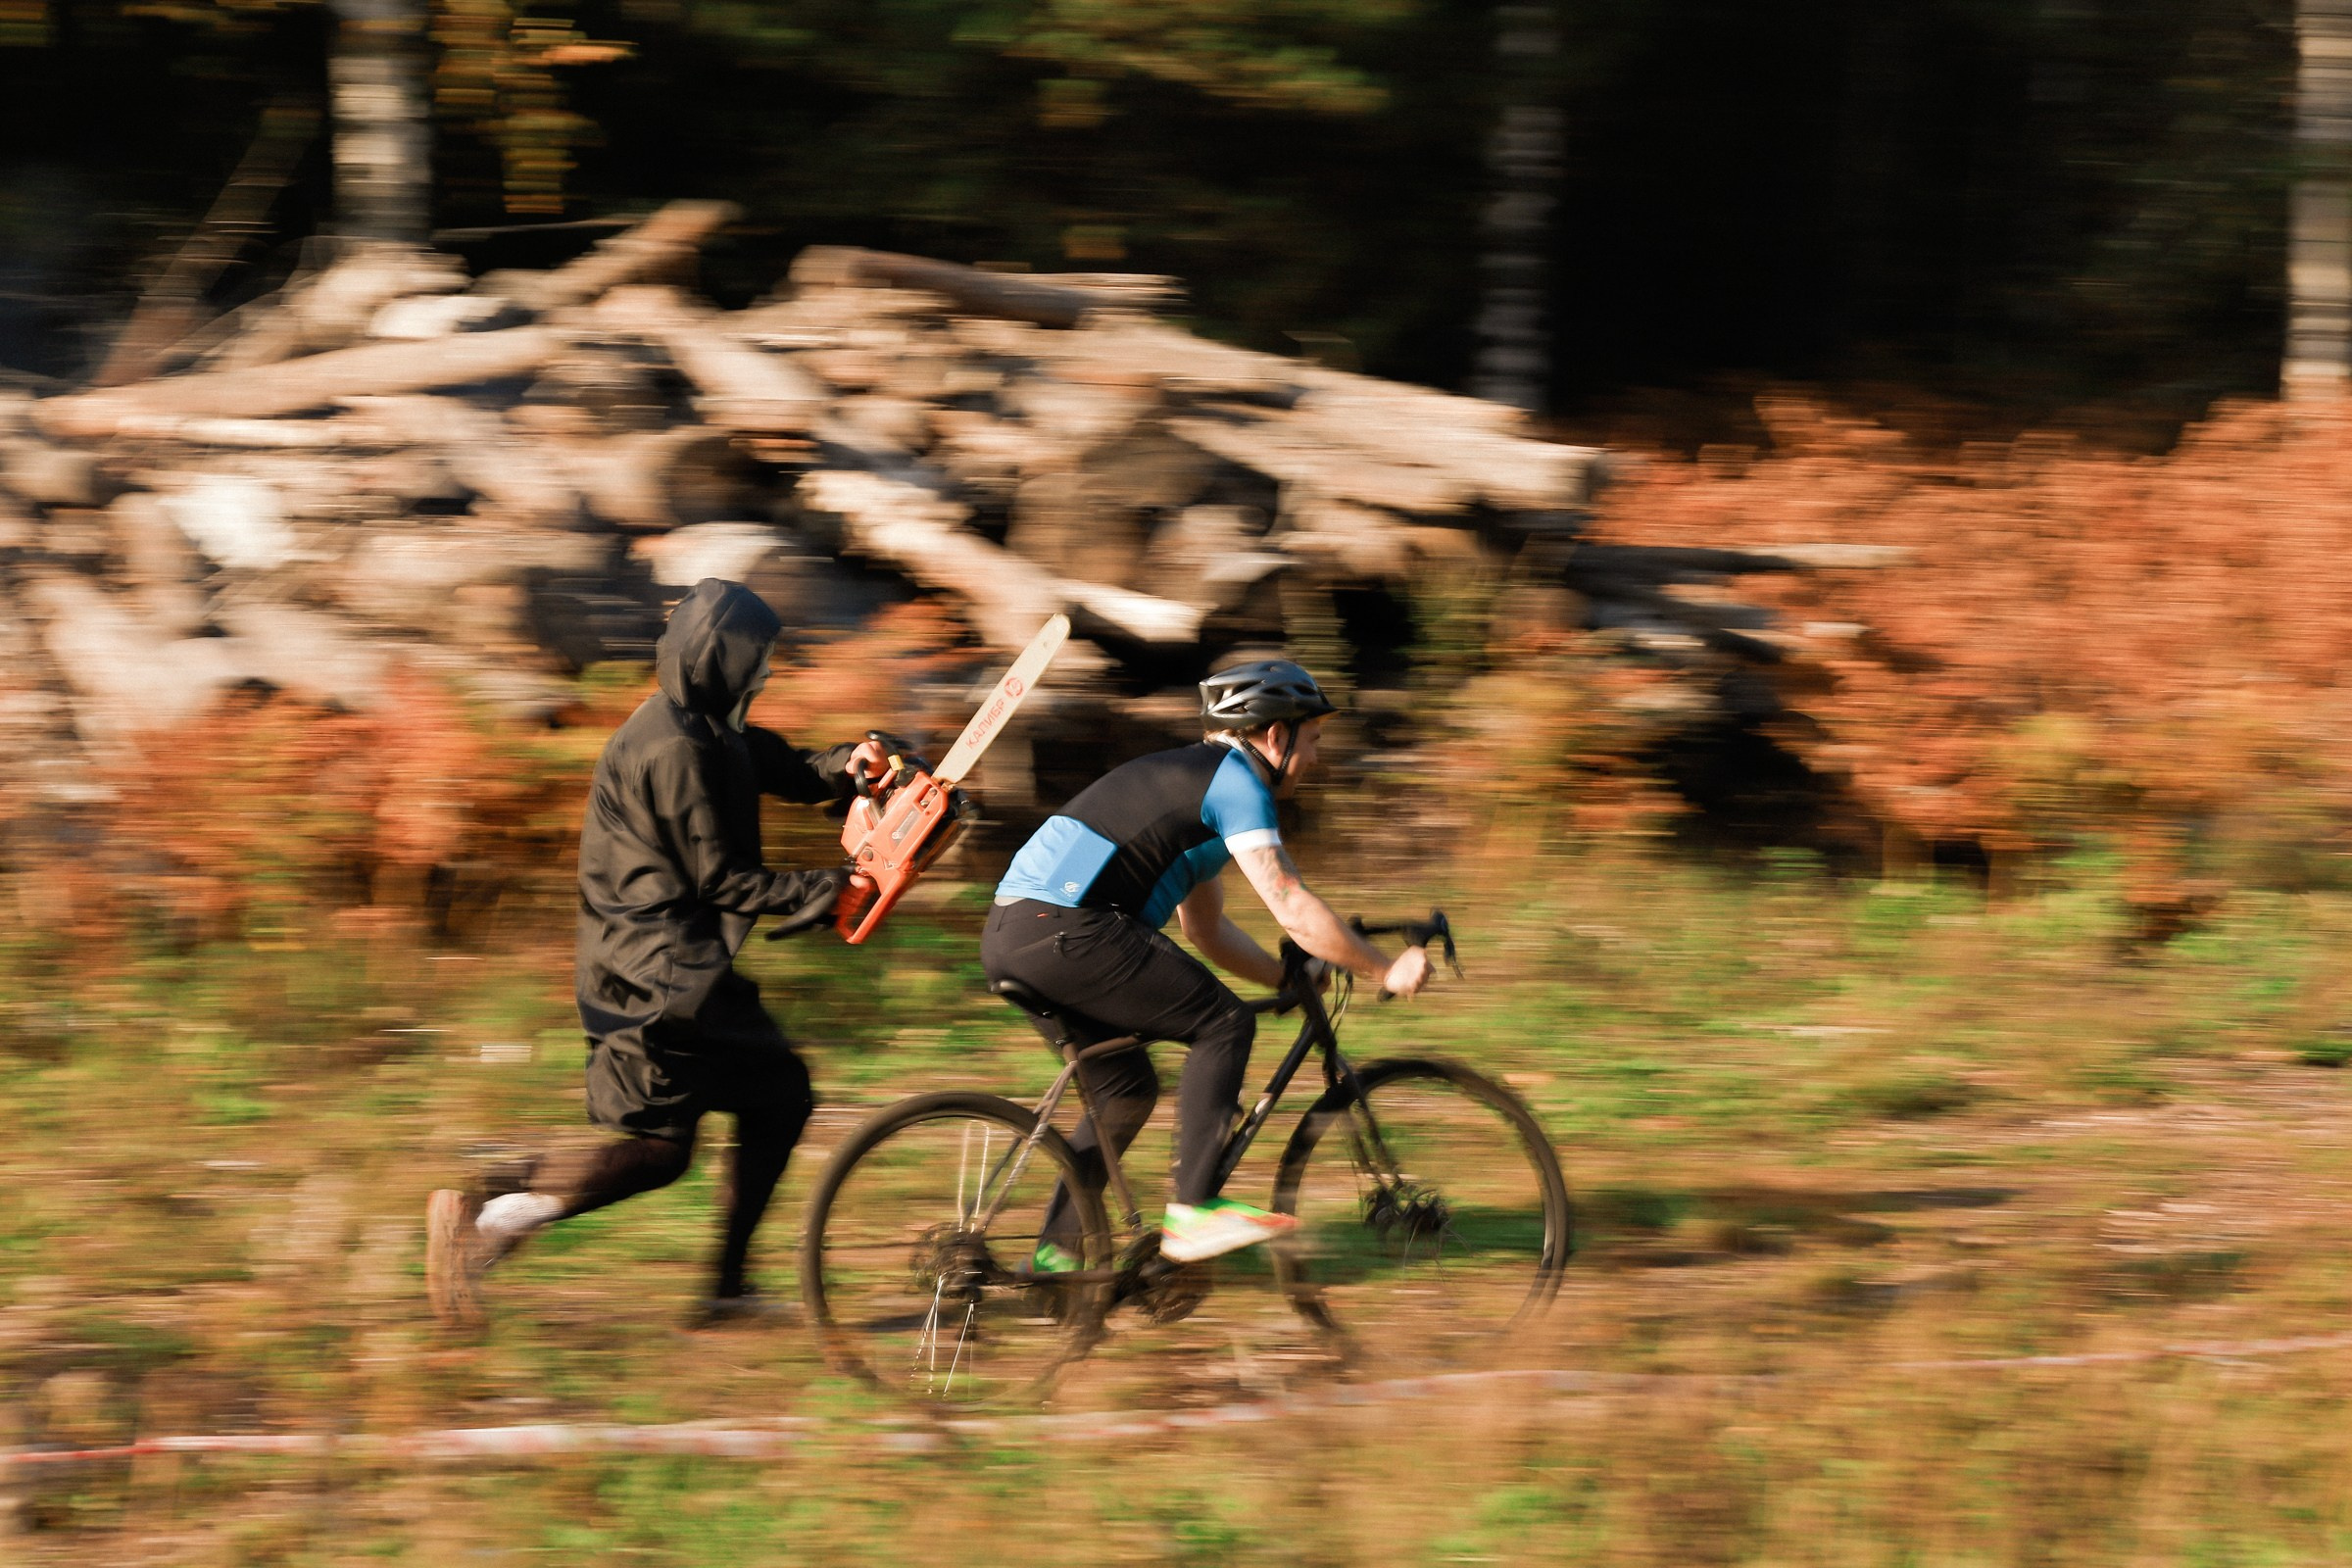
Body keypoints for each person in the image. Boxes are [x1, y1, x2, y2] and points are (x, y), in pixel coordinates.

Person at [426, 577, 907, 1329]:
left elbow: (772, 765)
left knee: (734, 1115)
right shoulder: (675, 748)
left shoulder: (703, 726)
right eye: (758, 659)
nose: (768, 673)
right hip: (654, 975)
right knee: (687, 1135)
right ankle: (490, 1217)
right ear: (721, 659)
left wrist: (849, 764)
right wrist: (829, 887)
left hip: (667, 967)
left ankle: (711, 1287)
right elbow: (722, 879)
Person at [981, 659, 1432, 1267]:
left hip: (1020, 932)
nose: (1316, 758)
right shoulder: (1236, 784)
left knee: (1124, 1090)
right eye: (1314, 740)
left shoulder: (1196, 791)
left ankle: (1058, 1260)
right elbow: (1292, 906)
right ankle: (1192, 1212)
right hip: (1067, 927)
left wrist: (1289, 978)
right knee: (1224, 1023)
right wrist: (1385, 968)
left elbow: (1206, 928)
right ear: (1276, 735)